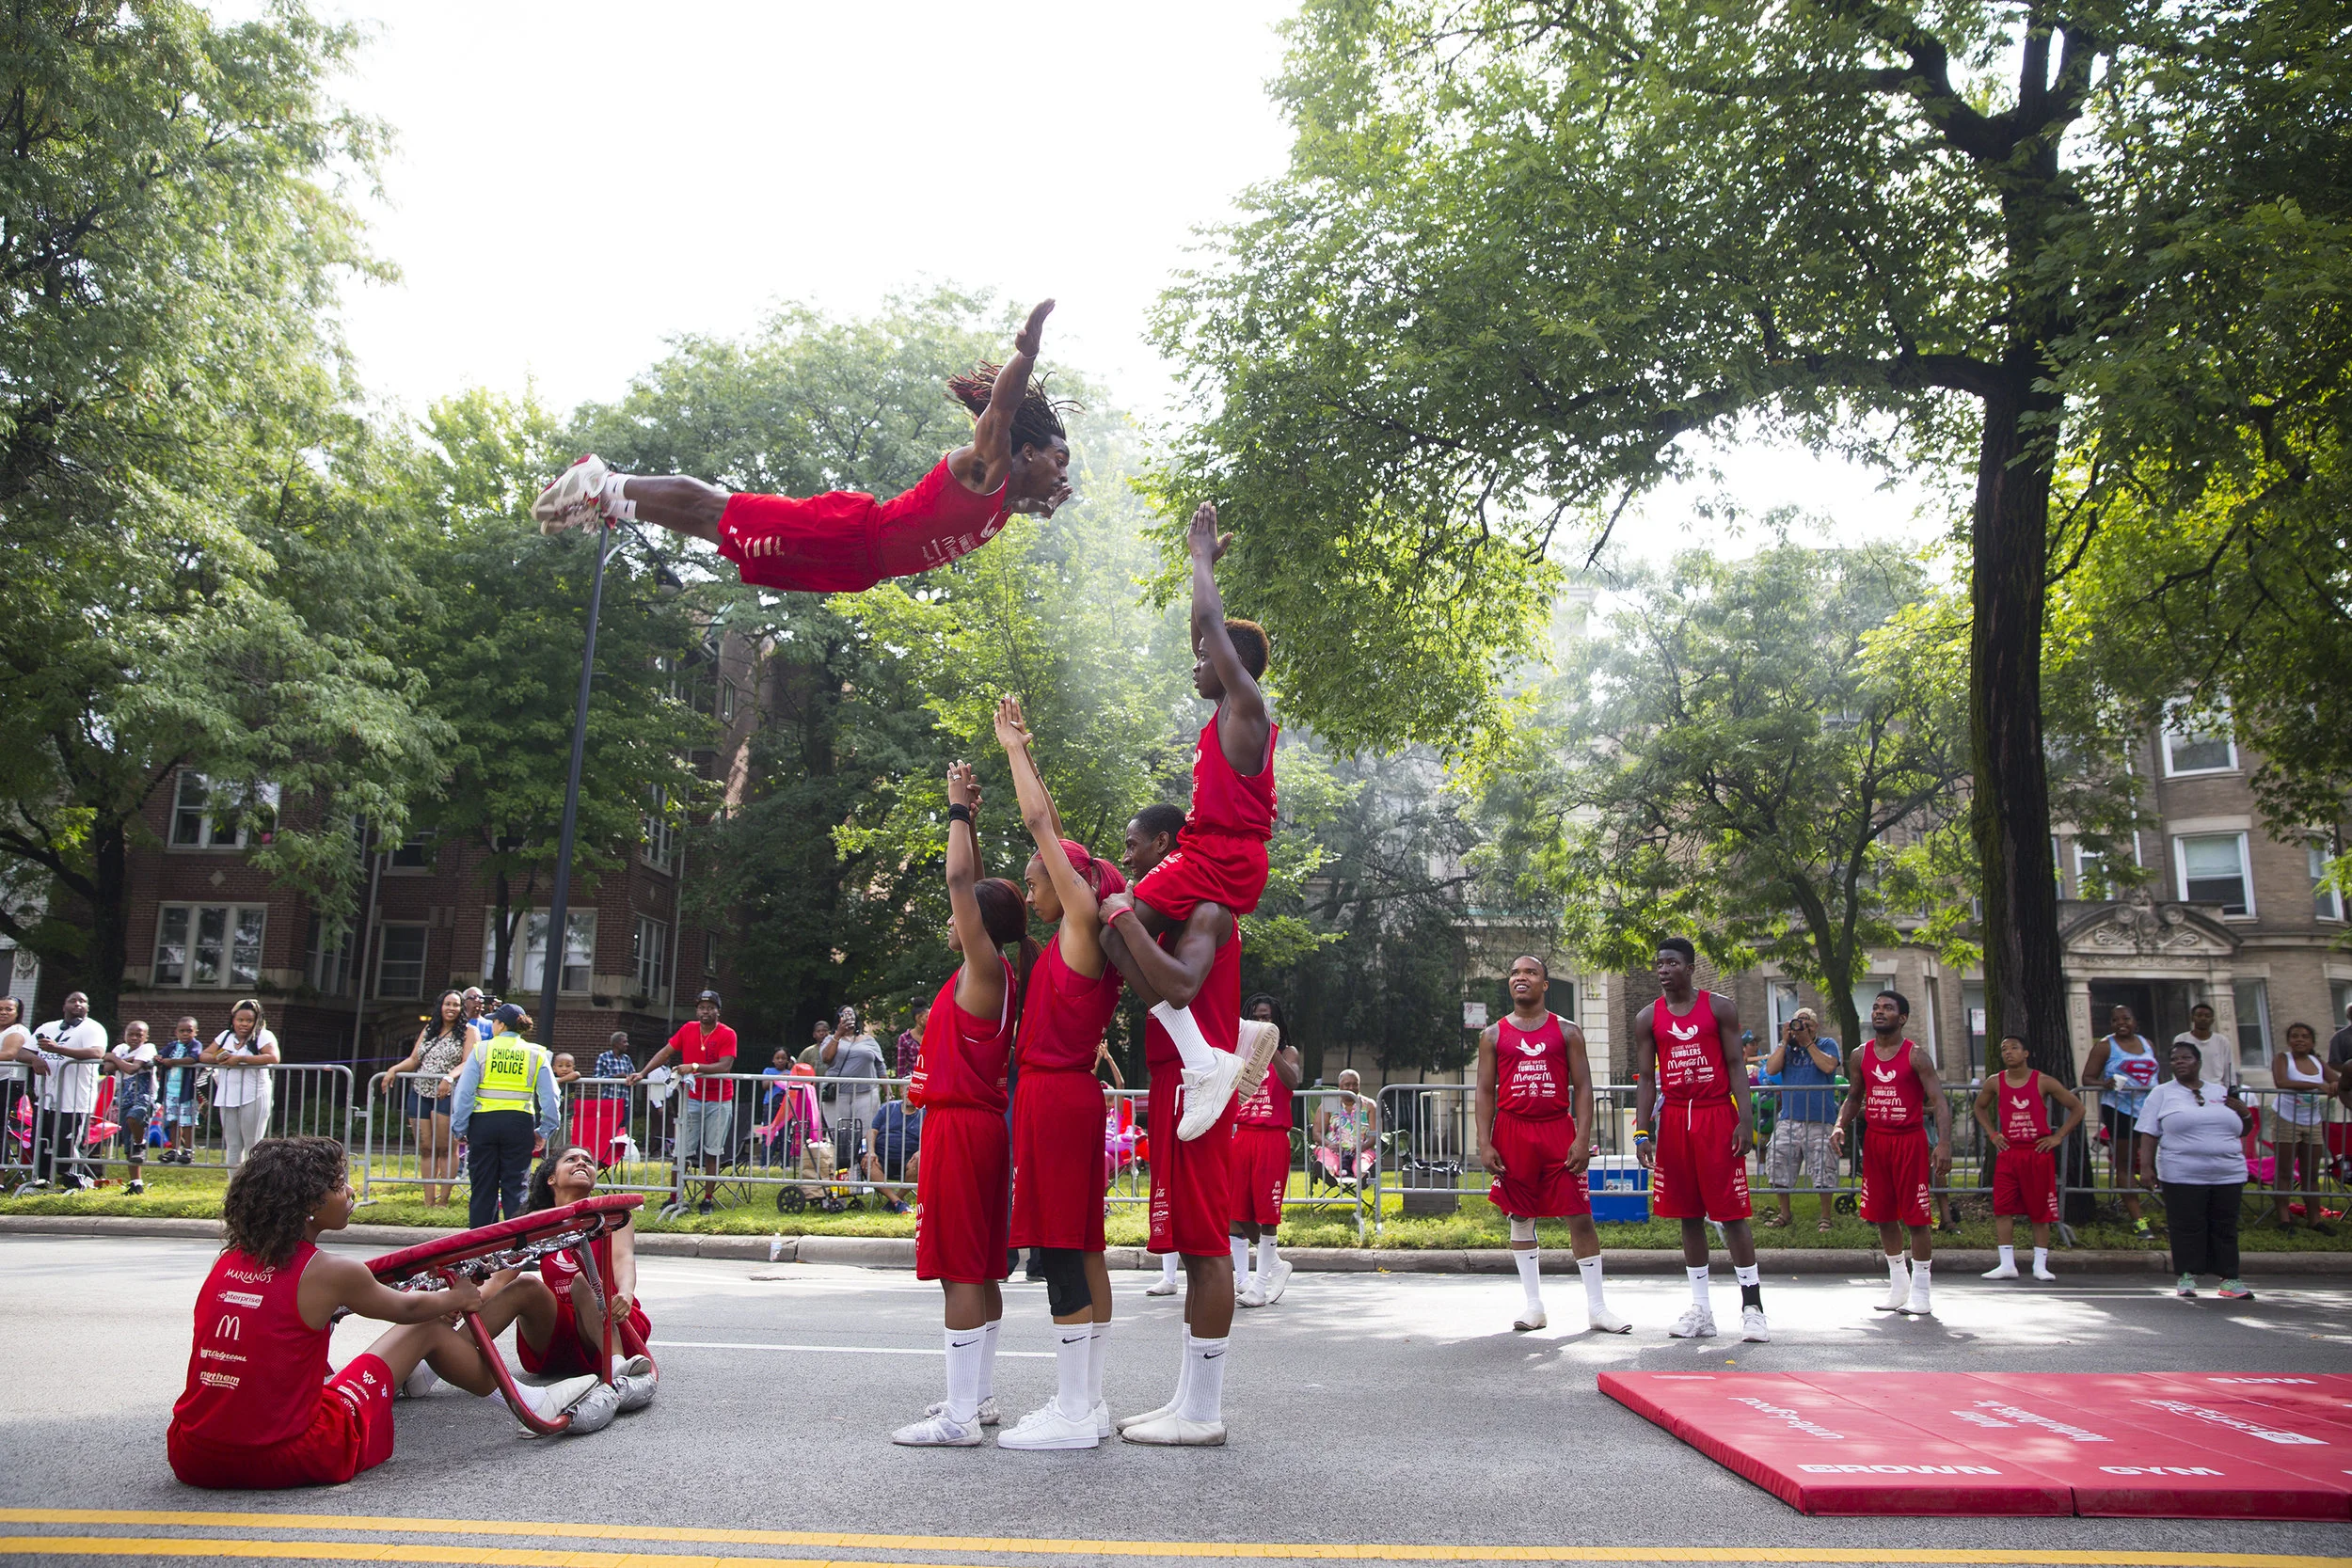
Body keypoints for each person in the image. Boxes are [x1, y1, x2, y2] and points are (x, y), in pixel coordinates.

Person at [166, 1135, 609, 1487]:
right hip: (286, 1456)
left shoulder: (227, 1261)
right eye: (340, 1184)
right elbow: (411, 1307)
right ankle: (527, 1400)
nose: (352, 1190)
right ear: (306, 1206)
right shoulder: (333, 1273)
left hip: (193, 1454)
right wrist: (457, 1299)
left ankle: (418, 1380)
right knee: (428, 1330)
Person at [536, 301, 1072, 588]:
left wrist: (1037, 506)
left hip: (858, 569)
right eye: (1060, 459)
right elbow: (1000, 411)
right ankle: (600, 483)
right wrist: (1024, 356)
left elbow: (1014, 504)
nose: (1064, 473)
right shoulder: (986, 468)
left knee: (722, 535)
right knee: (716, 511)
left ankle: (610, 498)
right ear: (1027, 453)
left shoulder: (1004, 501)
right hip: (848, 534)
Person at [1114, 501, 1282, 1143]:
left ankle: (1204, 1059)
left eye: (1204, 653)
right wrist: (1202, 576)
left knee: (1116, 931)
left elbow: (1211, 621)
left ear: (1229, 663)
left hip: (1221, 853)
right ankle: (1231, 1033)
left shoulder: (1246, 708)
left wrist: (1201, 559)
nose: (1195, 657)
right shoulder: (1223, 710)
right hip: (1219, 852)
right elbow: (1203, 626)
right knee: (1140, 934)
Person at [991, 695, 1125, 1449]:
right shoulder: (1071, 936)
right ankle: (1088, 1401)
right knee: (1085, 1244)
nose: (1028, 886)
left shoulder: (1081, 921)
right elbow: (1045, 843)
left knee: (1064, 1251)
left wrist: (1017, 750)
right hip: (1064, 1095)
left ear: (1068, 881)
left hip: (1056, 1097)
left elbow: (1045, 824)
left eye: (1034, 878)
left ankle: (1074, 1412)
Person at [1100, 802, 1248, 1446]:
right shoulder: (1173, 917)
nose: (1127, 856)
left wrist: (1123, 917)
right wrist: (1124, 925)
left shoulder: (1208, 909)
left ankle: (1205, 1411)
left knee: (1209, 1247)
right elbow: (1146, 981)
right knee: (1191, 1246)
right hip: (1174, 1081)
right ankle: (1188, 1398)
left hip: (1201, 1088)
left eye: (1133, 845)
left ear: (1165, 843)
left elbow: (1181, 987)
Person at [891, 761, 1026, 1448]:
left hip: (961, 1130)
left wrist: (955, 810)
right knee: (982, 1263)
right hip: (980, 1129)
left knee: (959, 1268)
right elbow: (969, 885)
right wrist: (971, 818)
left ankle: (959, 1415)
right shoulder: (995, 970)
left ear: (979, 922)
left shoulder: (982, 970)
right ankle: (981, 1395)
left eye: (964, 912)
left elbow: (956, 882)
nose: (953, 914)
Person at [1480, 956, 1628, 1335]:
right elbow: (1483, 1091)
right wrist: (1485, 1141)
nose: (1521, 978)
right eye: (1514, 972)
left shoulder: (1567, 1031)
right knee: (1520, 1215)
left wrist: (1582, 1137)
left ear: (1545, 984)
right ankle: (1534, 1306)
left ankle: (1597, 1308)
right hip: (1513, 1131)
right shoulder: (1493, 1034)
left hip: (1557, 1130)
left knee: (1578, 1213)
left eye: (1530, 972)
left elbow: (1584, 1087)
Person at [1632, 939, 1768, 1342]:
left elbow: (1735, 1065)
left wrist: (1745, 1119)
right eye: (1659, 963)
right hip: (1674, 1118)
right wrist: (1643, 1131)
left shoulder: (1719, 1007)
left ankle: (1753, 1307)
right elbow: (1645, 1079)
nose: (1663, 969)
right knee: (1687, 1215)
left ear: (1690, 968)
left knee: (1731, 1214)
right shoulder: (1647, 1017)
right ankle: (1701, 1311)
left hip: (1715, 1116)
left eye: (1672, 963)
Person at [1832, 990, 1950, 1315]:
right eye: (1875, 1007)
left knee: (1916, 1217)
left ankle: (1922, 1291)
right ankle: (1899, 1285)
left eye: (1888, 1008)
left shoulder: (1916, 1056)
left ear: (1903, 1018)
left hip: (1909, 1141)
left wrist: (1944, 1143)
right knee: (1883, 1215)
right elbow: (1854, 1097)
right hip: (1876, 1141)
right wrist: (1840, 1124)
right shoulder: (1860, 1055)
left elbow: (1939, 1101)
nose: (1879, 1012)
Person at [516, 1145, 657, 1411]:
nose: (582, 1163)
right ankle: (446, 1356)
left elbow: (623, 1259)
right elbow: (499, 1280)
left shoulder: (614, 1215)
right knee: (523, 1285)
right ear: (551, 1178)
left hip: (610, 1316)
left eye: (588, 1161)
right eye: (572, 1159)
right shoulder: (536, 1221)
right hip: (560, 1331)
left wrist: (626, 1293)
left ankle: (617, 1367)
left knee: (584, 1279)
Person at [2136, 1040, 2256, 1300]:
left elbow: (2241, 1130)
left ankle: (2230, 1279)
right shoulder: (2162, 1093)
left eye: (2185, 1058)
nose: (2179, 1062)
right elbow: (2148, 1132)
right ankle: (2188, 1276)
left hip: (2227, 1171)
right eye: (2175, 1059)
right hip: (2182, 1172)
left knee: (2225, 1225)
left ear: (2198, 1063)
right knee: (2187, 1224)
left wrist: (2245, 1115)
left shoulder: (2220, 1091)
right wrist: (2146, 1168)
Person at [1971, 1034, 2085, 1281]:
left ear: (2026, 1053)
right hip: (2009, 1153)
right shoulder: (1995, 1082)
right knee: (2002, 1207)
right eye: (2004, 1049)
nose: (2008, 1052)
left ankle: (2040, 1265)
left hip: (2037, 1152)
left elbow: (2077, 1107)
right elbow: (1979, 1106)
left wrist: (2058, 1137)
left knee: (2040, 1209)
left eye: (2014, 1048)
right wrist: (1993, 1134)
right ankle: (2006, 1264)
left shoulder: (2043, 1081)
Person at [450, 1004, 562, 1227]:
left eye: (494, 1021)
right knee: (516, 1188)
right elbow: (551, 1097)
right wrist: (545, 1130)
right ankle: (517, 1249)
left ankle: (481, 1250)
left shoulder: (482, 1049)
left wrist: (459, 1127)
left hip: (483, 1123)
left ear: (500, 1025)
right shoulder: (536, 1052)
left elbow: (465, 1093)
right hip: (519, 1124)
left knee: (483, 1188)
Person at [633, 990, 738, 1218]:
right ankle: (674, 1196)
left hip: (719, 1100)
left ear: (718, 1011)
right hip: (692, 1099)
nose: (705, 1011)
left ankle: (707, 1199)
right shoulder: (688, 1029)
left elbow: (725, 1066)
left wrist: (694, 1067)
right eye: (701, 1007)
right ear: (697, 1010)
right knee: (681, 1152)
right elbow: (665, 1052)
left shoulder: (727, 1033)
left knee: (712, 1152)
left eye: (710, 1007)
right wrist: (643, 1072)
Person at [1232, 992, 1303, 1309]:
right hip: (1242, 1135)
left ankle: (1260, 1286)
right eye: (1256, 1017)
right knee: (1235, 1214)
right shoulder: (1241, 1053)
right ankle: (1275, 1264)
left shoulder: (1288, 1052)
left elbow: (1293, 1081)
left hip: (1272, 1137)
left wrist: (1271, 1052)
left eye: (1267, 1017)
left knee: (1266, 1214)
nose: (1261, 1022)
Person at [377, 990, 473, 1207]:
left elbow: (467, 1062)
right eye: (447, 1004)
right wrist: (394, 1069)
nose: (451, 1008)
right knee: (426, 1147)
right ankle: (429, 1201)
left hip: (447, 1093)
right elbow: (413, 1059)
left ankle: (444, 1201)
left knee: (446, 1146)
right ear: (440, 1006)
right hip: (420, 1091)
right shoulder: (429, 1030)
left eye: (456, 1005)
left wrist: (449, 1078)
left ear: (461, 1008)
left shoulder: (469, 1031)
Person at [2084, 1003, 2160, 1239]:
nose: (2121, 1024)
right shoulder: (2105, 1046)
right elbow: (2087, 1077)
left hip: (2150, 1109)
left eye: (2126, 1019)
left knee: (2159, 1159)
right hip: (2120, 1110)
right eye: (2116, 1020)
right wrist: (2104, 1084)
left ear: (2134, 1021)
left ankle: (2170, 1214)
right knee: (2126, 1163)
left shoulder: (2147, 1044)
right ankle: (2139, 1221)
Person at [1762, 1009, 1842, 1233]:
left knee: (1823, 1168)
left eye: (1808, 1023)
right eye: (1799, 1022)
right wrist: (1785, 1041)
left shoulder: (1827, 1044)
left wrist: (1808, 1044)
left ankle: (1825, 1216)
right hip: (1789, 1119)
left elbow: (1829, 1066)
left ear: (1816, 1026)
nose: (1803, 1026)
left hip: (1820, 1119)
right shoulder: (1787, 1047)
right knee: (1778, 1162)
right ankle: (1784, 1213)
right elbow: (1771, 1069)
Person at [26, 991, 108, 1190]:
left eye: (83, 1001)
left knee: (68, 1144)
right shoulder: (48, 1027)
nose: (78, 1004)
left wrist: (58, 1050)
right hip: (46, 1098)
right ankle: (42, 1179)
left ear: (88, 1007)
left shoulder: (93, 1028)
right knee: (42, 1141)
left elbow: (97, 1053)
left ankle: (74, 1180)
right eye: (73, 1000)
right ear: (64, 1006)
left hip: (74, 1100)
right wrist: (35, 1059)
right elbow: (24, 1050)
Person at [2266, 1022, 2339, 1231]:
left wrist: (2335, 1084)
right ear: (2289, 1041)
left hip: (2312, 1120)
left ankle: (2315, 1219)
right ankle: (2284, 1219)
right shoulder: (2283, 1059)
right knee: (2285, 1171)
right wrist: (2317, 1084)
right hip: (2285, 1118)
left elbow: (2336, 1082)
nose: (2299, 1040)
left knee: (2311, 1173)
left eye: (2305, 1036)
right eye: (2295, 1036)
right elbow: (2282, 1082)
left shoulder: (2317, 1062)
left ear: (2312, 1042)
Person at [202, 999, 278, 1170]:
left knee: (253, 1143)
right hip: (227, 1095)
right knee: (233, 1144)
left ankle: (254, 1187)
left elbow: (273, 1057)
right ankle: (235, 1189)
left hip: (254, 1094)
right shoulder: (225, 1036)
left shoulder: (263, 1036)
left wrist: (241, 1059)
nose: (244, 1024)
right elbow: (204, 1055)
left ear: (256, 1021)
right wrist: (219, 1057)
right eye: (240, 1020)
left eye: (249, 1021)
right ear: (233, 1020)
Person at [821, 1005, 889, 1165]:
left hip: (865, 1093)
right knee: (840, 1134)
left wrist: (888, 1092)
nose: (849, 1017)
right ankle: (841, 1169)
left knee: (865, 1134)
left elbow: (880, 1067)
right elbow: (826, 1059)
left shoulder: (869, 1041)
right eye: (844, 1014)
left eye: (851, 1014)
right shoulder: (830, 1039)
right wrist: (838, 1034)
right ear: (838, 1019)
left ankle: (864, 1169)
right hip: (838, 1094)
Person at [104, 1020, 158, 1193]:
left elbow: (133, 1069)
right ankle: (136, 1183)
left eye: (139, 1035)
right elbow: (107, 1067)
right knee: (128, 1141)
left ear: (146, 1036)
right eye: (131, 1034)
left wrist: (116, 1060)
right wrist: (119, 1059)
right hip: (124, 1096)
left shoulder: (148, 1048)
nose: (134, 1038)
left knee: (134, 1117)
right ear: (125, 1035)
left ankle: (140, 1142)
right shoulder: (120, 1049)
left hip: (144, 1095)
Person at [1314, 1069, 1380, 1192]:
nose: (1351, 1088)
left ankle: (1364, 1175)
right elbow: (1317, 1133)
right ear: (1340, 1086)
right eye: (1347, 1085)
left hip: (1362, 1149)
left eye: (1355, 1084)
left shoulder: (1369, 1105)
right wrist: (1329, 1144)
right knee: (1327, 1156)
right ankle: (1328, 1171)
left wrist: (1363, 1146)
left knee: (1363, 1160)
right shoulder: (1330, 1103)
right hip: (1332, 1148)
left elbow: (1374, 1135)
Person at [156, 1017, 204, 1165]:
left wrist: (172, 1062)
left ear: (195, 1032)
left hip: (186, 1093)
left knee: (187, 1122)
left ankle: (189, 1151)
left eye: (189, 1031)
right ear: (176, 1032)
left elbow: (193, 1059)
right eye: (182, 1031)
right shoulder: (172, 1046)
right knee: (173, 1121)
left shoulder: (195, 1045)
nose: (185, 1034)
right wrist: (158, 1058)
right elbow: (161, 1055)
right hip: (171, 1092)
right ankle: (174, 1150)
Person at [866, 1095, 923, 1212]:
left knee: (921, 1161)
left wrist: (922, 1151)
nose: (910, 1094)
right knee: (868, 1161)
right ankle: (897, 1202)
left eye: (914, 1090)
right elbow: (872, 1131)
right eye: (907, 1089)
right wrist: (871, 1152)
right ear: (901, 1091)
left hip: (910, 1157)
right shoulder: (887, 1108)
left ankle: (895, 1201)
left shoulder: (927, 1112)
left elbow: (934, 1136)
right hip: (882, 1156)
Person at [2174, 1002, 2237, 1090]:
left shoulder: (2222, 1041)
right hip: (2188, 1089)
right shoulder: (2181, 1039)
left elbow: (2229, 1068)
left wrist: (2231, 1088)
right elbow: (2176, 1065)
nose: (2203, 1018)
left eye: (2207, 1016)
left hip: (2216, 1089)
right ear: (2192, 1018)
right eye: (2199, 1015)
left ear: (2212, 1020)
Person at [0, 998, 29, 1180]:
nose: (3, 1012)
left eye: (8, 1009)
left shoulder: (17, 1030)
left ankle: (1, 1178)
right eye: (0, 1009)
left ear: (17, 1013)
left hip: (9, 1083)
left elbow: (10, 1054)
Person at [897, 1006, 928, 1083]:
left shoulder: (934, 1036)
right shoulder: (904, 1038)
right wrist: (901, 1083)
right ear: (919, 1018)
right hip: (913, 1080)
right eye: (927, 1016)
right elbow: (901, 1064)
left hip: (931, 1080)